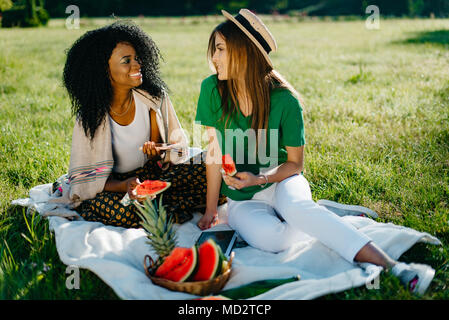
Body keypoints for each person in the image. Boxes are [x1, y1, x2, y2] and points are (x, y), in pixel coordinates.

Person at [194, 9, 435, 294]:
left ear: (244, 51)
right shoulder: (211, 90)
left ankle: (395, 267)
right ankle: (322, 214)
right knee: (276, 241)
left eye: (220, 49)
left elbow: (295, 164)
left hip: (282, 180)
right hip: (242, 200)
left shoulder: (285, 100)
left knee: (297, 208)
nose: (214, 58)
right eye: (214, 50)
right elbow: (213, 154)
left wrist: (259, 179)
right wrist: (212, 209)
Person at [61, 21, 226, 228]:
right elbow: (86, 181)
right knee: (122, 212)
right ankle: (168, 208)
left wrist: (159, 152)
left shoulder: (153, 99)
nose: (137, 65)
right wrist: (125, 185)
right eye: (126, 61)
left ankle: (156, 208)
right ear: (104, 69)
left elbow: (174, 149)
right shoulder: (90, 118)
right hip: (115, 185)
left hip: (156, 175)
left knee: (215, 174)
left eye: (137, 58)